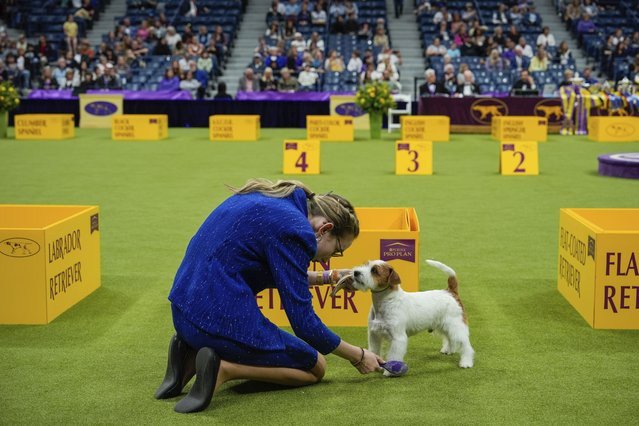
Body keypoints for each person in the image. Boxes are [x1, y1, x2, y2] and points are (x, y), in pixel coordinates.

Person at [155, 179, 384, 413]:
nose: (329, 259)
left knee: (300, 357)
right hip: (214, 321)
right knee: (315, 367)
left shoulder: (269, 199)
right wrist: (358, 355)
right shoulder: (296, 230)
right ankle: (224, 369)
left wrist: (327, 277)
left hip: (183, 314)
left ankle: (188, 355)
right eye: (337, 250)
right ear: (325, 229)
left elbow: (271, 271)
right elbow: (305, 325)